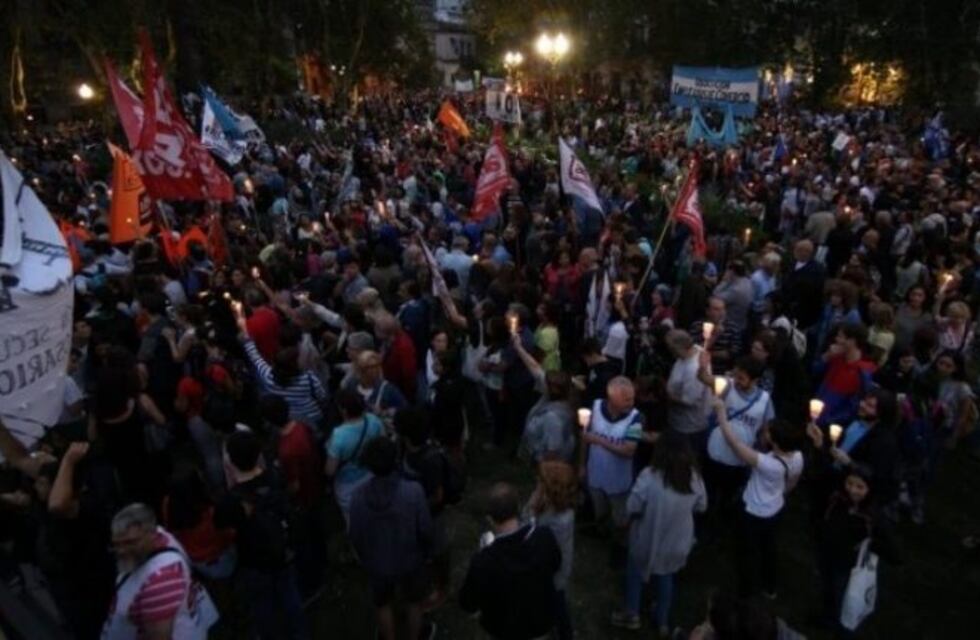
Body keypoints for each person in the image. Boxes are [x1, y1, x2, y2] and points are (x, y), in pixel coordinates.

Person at [215, 431, 308, 640]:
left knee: (262, 605)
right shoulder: (275, 476)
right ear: (258, 455)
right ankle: (300, 633)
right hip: (282, 550)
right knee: (290, 594)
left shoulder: (230, 500)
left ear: (231, 461)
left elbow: (223, 531)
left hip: (254, 561)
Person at [611, 431, 707, 635]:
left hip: (647, 539)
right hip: (677, 543)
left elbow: (632, 506)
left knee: (635, 573)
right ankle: (662, 620)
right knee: (666, 576)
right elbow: (702, 505)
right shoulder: (694, 478)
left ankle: (632, 614)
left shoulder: (649, 476)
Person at [712, 399, 805, 598]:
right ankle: (770, 586)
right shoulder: (798, 457)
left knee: (746, 551)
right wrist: (780, 494)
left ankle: (745, 590)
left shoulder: (767, 463)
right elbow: (792, 482)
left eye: (768, 432)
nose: (765, 432)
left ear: (775, 442)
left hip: (753, 510)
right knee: (769, 546)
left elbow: (735, 444)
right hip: (776, 508)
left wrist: (721, 414)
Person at [348, 437, 435, 640]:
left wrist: (366, 558)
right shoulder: (413, 491)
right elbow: (425, 529)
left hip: (378, 563)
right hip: (411, 560)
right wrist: (426, 553)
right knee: (414, 602)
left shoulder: (357, 496)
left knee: (382, 603)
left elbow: (355, 535)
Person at [459, 482, 561, 640]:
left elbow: (468, 603)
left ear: (490, 519)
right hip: (541, 624)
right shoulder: (544, 536)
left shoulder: (483, 561)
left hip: (504, 631)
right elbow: (556, 565)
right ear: (518, 508)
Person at [102, 503, 218, 640]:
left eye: (130, 542)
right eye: (116, 544)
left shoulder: (160, 578)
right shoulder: (159, 536)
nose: (121, 551)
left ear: (152, 534)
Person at [580, 377, 643, 548]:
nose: (631, 403)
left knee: (621, 519)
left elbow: (629, 450)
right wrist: (582, 465)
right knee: (600, 511)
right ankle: (602, 533)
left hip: (619, 481)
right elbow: (584, 438)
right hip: (596, 474)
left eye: (632, 398)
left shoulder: (636, 418)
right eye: (626, 399)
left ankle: (620, 545)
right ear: (611, 398)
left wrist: (599, 440)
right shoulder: (595, 407)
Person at [523, 461, 577, 640]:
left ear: (552, 489)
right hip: (549, 568)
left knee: (557, 603)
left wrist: (532, 510)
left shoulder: (561, 520)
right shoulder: (550, 503)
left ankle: (564, 634)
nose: (537, 482)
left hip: (553, 574)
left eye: (541, 481)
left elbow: (529, 534)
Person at [324, 389, 385, 524]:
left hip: (347, 485)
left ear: (344, 411)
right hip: (371, 475)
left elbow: (330, 470)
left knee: (353, 520)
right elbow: (383, 445)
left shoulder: (338, 436)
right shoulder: (374, 420)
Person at [665, 330, 713, 447]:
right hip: (678, 420)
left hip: (689, 426)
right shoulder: (693, 351)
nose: (669, 351)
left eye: (671, 348)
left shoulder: (693, 369)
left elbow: (689, 401)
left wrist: (668, 397)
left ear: (679, 348)